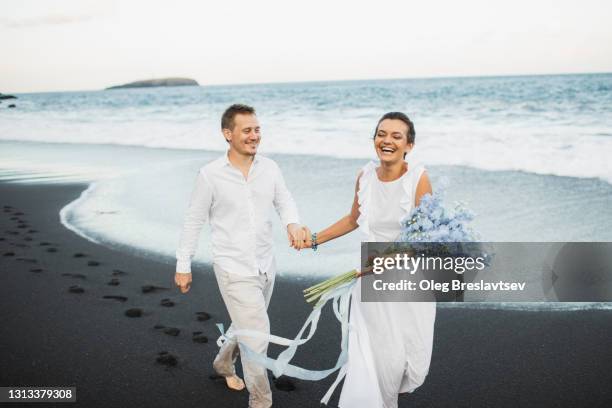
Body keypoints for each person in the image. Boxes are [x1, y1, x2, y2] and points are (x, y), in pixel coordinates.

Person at [174, 104, 308, 408]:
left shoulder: (270, 168)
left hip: (266, 264)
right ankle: (261, 401)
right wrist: (184, 264)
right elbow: (193, 220)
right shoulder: (209, 175)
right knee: (257, 337)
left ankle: (223, 363)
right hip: (233, 268)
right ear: (227, 134)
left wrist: (293, 223)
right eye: (247, 130)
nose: (254, 135)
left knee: (248, 328)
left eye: (257, 129)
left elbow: (284, 200)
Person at [305, 112, 436, 408]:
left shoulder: (419, 179)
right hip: (369, 276)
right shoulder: (364, 176)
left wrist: (387, 263)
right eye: (381, 134)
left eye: (396, 136)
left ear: (409, 145)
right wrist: (314, 239)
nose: (386, 140)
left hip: (408, 278)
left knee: (411, 361)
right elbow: (354, 219)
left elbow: (424, 240)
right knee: (376, 357)